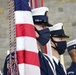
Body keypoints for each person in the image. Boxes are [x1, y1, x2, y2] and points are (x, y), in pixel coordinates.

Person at [32, 7, 56, 75]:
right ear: (32, 28)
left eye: (46, 27)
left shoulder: (47, 60)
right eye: (43, 26)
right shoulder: (16, 58)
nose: (47, 30)